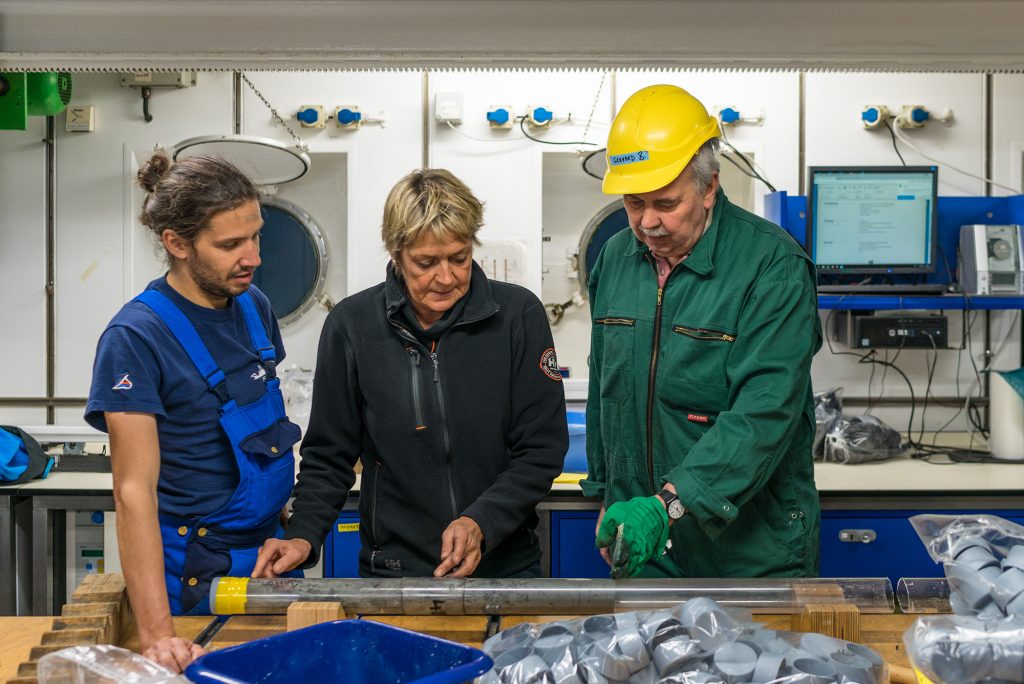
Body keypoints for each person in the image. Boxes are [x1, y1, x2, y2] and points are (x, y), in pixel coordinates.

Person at [253, 168, 568, 579]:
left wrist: (481, 523)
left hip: (505, 567)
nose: (446, 276)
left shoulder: (517, 316)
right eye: (425, 262)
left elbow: (541, 450)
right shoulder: (352, 326)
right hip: (394, 572)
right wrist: (303, 535)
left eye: (459, 258)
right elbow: (329, 456)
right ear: (396, 254)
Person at [583, 84, 822, 579]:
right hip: (648, 547)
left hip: (752, 551)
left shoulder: (771, 266)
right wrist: (611, 494)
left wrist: (666, 505)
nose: (647, 222)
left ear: (710, 186)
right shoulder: (615, 258)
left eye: (666, 203)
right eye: (633, 202)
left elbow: (764, 413)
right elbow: (607, 389)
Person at [85, 153, 301, 672]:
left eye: (256, 237)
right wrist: (159, 635)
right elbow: (132, 491)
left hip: (266, 567)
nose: (252, 257)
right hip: (192, 581)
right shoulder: (136, 338)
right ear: (176, 243)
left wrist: (288, 525)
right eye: (230, 245)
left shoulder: (255, 308)